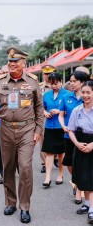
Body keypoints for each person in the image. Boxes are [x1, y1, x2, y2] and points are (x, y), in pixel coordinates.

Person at [0, 46, 44, 224]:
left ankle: (25, 207)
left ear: (23, 63)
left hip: (27, 129)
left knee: (25, 168)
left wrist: (38, 130)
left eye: (15, 61)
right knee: (9, 167)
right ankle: (10, 202)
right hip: (5, 129)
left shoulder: (33, 82)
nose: (11, 64)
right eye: (10, 61)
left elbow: (39, 108)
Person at [58, 70, 89, 204]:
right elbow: (61, 114)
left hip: (84, 137)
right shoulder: (66, 97)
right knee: (70, 163)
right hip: (69, 135)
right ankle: (77, 182)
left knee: (83, 164)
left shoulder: (88, 97)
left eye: (74, 81)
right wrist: (63, 125)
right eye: (70, 81)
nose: (71, 83)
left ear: (82, 83)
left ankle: (79, 189)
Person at [68, 81, 93, 223]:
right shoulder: (77, 110)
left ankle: (91, 210)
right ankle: (87, 203)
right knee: (83, 176)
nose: (85, 95)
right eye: (83, 92)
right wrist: (77, 143)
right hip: (81, 143)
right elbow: (71, 129)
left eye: (88, 92)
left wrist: (92, 145)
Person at [41, 72, 69, 188]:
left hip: (61, 127)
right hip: (49, 126)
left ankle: (60, 174)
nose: (54, 86)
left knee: (61, 152)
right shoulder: (46, 95)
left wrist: (59, 112)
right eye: (52, 84)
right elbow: (42, 108)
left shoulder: (67, 95)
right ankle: (47, 177)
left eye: (56, 83)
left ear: (60, 82)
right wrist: (45, 113)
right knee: (49, 151)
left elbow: (71, 111)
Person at [39, 64, 57, 173]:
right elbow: (36, 103)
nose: (48, 76)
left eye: (50, 73)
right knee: (43, 139)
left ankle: (54, 157)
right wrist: (43, 112)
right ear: (43, 75)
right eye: (46, 74)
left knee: (56, 137)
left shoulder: (59, 86)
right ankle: (44, 163)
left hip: (56, 115)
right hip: (43, 116)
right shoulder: (39, 86)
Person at [0, 66, 9, 184]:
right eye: (2, 73)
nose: (4, 74)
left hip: (18, 125)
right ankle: (4, 174)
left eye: (6, 72)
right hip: (1, 124)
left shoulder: (21, 85)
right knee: (2, 151)